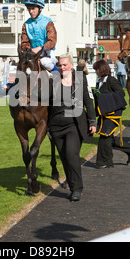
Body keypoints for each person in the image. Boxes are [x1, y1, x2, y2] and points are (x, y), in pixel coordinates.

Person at [48, 53, 96, 201]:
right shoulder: (53, 81)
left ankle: (77, 189)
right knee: (64, 158)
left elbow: (88, 101)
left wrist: (92, 121)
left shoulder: (80, 79)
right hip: (56, 125)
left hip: (74, 124)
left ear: (71, 65)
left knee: (71, 155)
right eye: (59, 65)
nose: (62, 68)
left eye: (64, 65)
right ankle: (72, 185)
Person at [93, 59, 130, 168]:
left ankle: (105, 162)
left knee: (105, 137)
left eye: (97, 69)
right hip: (104, 114)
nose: (95, 72)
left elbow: (121, 93)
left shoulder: (111, 80)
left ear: (102, 69)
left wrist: (103, 97)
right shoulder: (99, 81)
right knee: (109, 138)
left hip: (112, 114)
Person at [21, 0, 58, 71]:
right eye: (29, 9)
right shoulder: (26, 24)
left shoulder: (48, 22)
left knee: (44, 62)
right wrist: (30, 50)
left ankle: (58, 76)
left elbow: (52, 41)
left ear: (40, 8)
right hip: (31, 54)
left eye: (33, 8)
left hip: (47, 53)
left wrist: (41, 48)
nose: (30, 11)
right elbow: (24, 43)